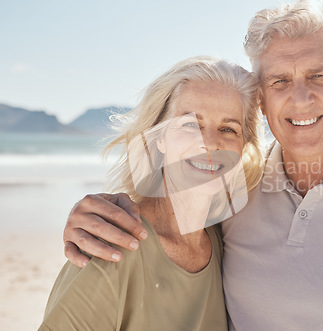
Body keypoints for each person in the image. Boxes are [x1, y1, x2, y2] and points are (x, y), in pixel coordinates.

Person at [61, 0, 323, 330]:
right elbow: (169, 225)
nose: (300, 97)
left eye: (319, 76)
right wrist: (95, 213)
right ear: (263, 101)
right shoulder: (236, 195)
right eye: (280, 81)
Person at [40, 56, 264, 330]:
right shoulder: (110, 248)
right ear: (159, 137)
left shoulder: (224, 242)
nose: (210, 143)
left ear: (243, 148)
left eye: (228, 129)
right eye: (191, 124)